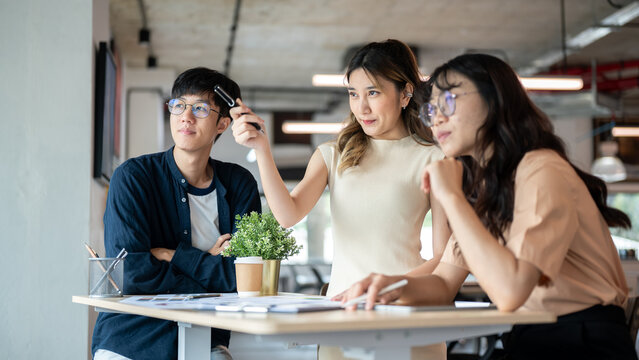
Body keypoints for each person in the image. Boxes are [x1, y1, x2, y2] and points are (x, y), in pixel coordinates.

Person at [341, 53, 637, 359]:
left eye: (450, 102)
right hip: (531, 336)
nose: (437, 118)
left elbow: (510, 292)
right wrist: (393, 285)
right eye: (432, 109)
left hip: (582, 340)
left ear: (494, 100)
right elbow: (444, 282)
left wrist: (452, 196)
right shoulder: (484, 189)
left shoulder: (540, 168)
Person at [231, 39, 450, 359]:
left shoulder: (434, 158)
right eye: (353, 94)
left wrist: (391, 284)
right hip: (341, 314)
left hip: (407, 313)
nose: (361, 107)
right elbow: (287, 216)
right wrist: (262, 148)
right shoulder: (332, 154)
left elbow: (444, 258)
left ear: (405, 93)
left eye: (373, 93)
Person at [91, 67, 261, 360]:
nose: (186, 116)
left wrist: (172, 255)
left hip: (206, 337)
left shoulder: (239, 184)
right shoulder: (133, 178)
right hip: (132, 337)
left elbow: (246, 280)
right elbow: (131, 274)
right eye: (179, 105)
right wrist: (208, 262)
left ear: (222, 123)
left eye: (200, 108)